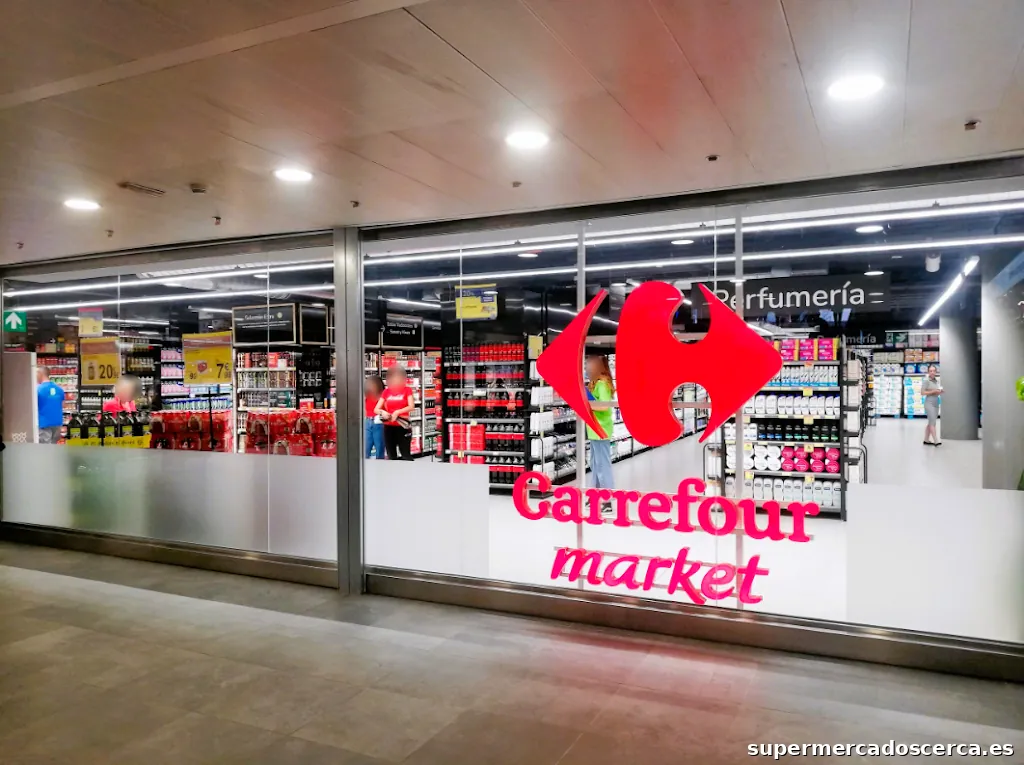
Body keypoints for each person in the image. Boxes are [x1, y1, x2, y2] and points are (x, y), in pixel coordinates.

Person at [585, 354, 616, 511]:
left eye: (589, 364)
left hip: (600, 429)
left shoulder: (602, 384)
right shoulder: (596, 383)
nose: (586, 367)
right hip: (595, 430)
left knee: (602, 465)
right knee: (595, 465)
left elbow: (603, 406)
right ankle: (594, 495)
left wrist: (587, 402)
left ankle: (607, 500)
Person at [375, 366, 415, 460]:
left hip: (403, 426)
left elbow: (411, 406)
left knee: (406, 455)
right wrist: (383, 412)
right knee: (391, 455)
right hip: (389, 427)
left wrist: (398, 412)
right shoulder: (386, 392)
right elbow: (376, 409)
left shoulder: (407, 390)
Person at [36, 366, 66, 444]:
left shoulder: (38, 389)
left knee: (45, 448)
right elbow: (63, 405)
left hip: (44, 423)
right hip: (57, 423)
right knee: (54, 446)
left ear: (40, 374)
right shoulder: (59, 389)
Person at [364, 375, 386, 459]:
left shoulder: (383, 395)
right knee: (365, 449)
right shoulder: (367, 394)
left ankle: (380, 466)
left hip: (378, 422)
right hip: (367, 422)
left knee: (379, 449)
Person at [922, 364, 943, 446]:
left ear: (936, 372)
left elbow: (937, 391)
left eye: (934, 371)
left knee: (932, 422)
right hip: (929, 403)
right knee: (932, 422)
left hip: (936, 402)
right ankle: (936, 440)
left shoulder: (936, 381)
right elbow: (922, 392)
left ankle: (926, 440)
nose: (932, 372)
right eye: (930, 371)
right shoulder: (926, 381)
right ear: (928, 372)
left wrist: (940, 392)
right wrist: (933, 391)